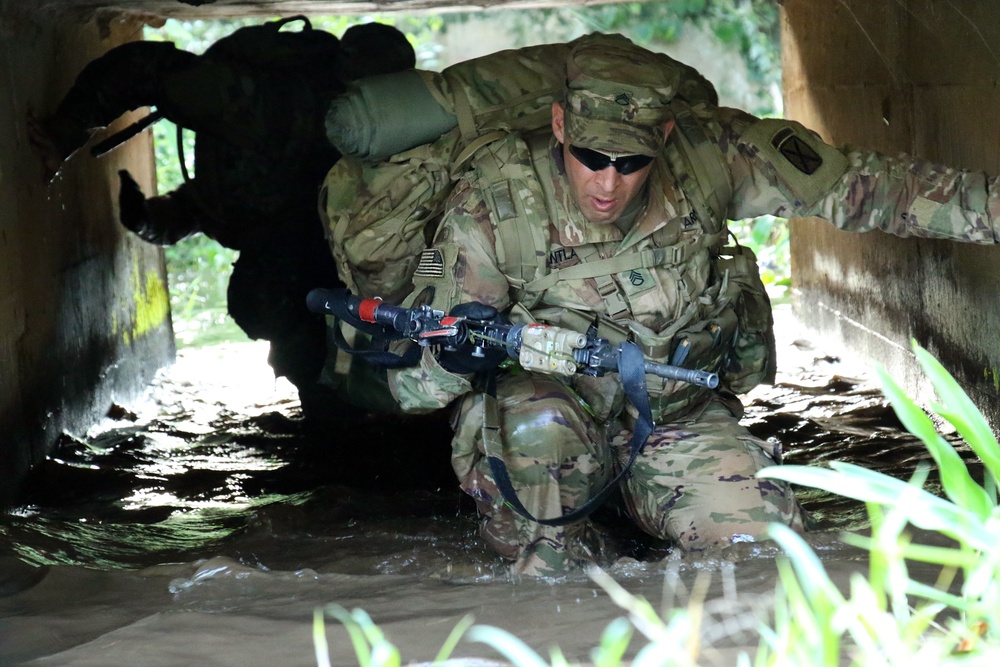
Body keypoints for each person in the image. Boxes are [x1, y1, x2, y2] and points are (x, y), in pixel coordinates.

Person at [373, 34, 1000, 577]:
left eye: (631, 162)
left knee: (764, 548)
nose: (607, 182)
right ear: (560, 125)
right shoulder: (495, 199)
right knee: (545, 551)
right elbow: (415, 387)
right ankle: (563, 548)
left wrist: (990, 210)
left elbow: (861, 189)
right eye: (590, 158)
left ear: (665, 138)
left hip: (676, 416)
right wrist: (455, 354)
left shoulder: (710, 156)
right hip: (553, 430)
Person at [27, 18, 416, 404]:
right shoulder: (264, 104)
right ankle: (323, 397)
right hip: (288, 271)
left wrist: (156, 221)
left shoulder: (381, 143)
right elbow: (142, 68)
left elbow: (230, 201)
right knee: (283, 305)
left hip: (312, 260)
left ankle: (336, 397)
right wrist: (67, 129)